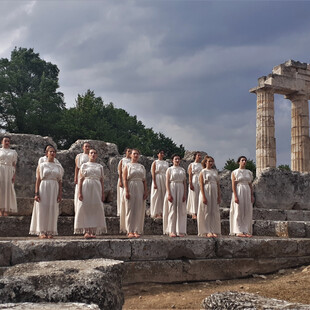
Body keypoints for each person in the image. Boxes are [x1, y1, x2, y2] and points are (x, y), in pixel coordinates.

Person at [29, 146, 64, 239]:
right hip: (44, 186)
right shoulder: (42, 165)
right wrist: (36, 193)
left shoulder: (58, 166)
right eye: (50, 152)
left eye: (54, 152)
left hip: (54, 187)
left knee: (52, 209)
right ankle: (41, 231)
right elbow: (38, 180)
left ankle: (50, 231)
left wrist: (60, 194)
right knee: (42, 208)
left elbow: (60, 181)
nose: (52, 153)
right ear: (46, 154)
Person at [74, 149, 107, 239]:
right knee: (86, 207)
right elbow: (80, 180)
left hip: (97, 187)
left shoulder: (100, 167)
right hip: (86, 186)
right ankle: (86, 231)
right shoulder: (84, 166)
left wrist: (102, 193)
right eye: (91, 153)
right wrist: (79, 192)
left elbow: (101, 180)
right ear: (88, 155)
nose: (93, 154)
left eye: (95, 153)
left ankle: (93, 231)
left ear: (96, 156)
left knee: (95, 207)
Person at [121, 149, 147, 238]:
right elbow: (124, 179)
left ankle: (136, 230)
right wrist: (127, 190)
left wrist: (145, 191)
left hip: (140, 186)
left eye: (137, 154)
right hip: (130, 185)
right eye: (134, 154)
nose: (136, 155)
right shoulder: (127, 166)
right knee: (130, 208)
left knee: (138, 209)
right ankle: (129, 230)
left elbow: (144, 180)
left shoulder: (141, 167)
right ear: (131, 155)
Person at [230, 155, 254, 237]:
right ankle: (238, 231)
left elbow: (250, 185)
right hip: (239, 190)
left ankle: (246, 230)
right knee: (238, 210)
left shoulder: (249, 172)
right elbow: (233, 185)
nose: (244, 162)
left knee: (246, 210)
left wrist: (252, 195)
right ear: (239, 162)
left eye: (245, 160)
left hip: (247, 190)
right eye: (242, 160)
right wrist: (235, 196)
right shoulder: (234, 172)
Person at [163, 154, 187, 237]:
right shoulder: (169, 170)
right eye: (175, 159)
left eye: (178, 159)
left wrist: (184, 194)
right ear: (172, 160)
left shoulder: (182, 170)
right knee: (172, 209)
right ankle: (171, 230)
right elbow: (167, 182)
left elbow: (184, 183)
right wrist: (168, 193)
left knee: (181, 210)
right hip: (172, 187)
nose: (177, 160)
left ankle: (180, 230)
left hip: (180, 188)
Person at [197, 156, 221, 237]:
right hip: (206, 190)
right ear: (205, 162)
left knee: (213, 211)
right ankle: (207, 230)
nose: (211, 163)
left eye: (212, 161)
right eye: (209, 161)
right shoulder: (203, 172)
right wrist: (203, 196)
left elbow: (218, 185)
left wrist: (219, 196)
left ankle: (213, 229)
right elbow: (201, 184)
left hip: (214, 191)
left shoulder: (215, 172)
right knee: (206, 211)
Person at [0, 136, 18, 216]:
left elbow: (14, 164)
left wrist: (14, 175)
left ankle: (6, 209)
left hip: (9, 171)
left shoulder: (13, 152)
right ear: (2, 142)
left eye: (8, 141)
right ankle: (0, 209)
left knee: (8, 189)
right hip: (0, 170)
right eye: (5, 141)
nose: (7, 142)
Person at [150, 150, 169, 219]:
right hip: (157, 178)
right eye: (160, 153)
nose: (162, 154)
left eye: (163, 153)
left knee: (163, 194)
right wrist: (154, 182)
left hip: (164, 178)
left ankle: (163, 212)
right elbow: (153, 173)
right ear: (157, 154)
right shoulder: (155, 162)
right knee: (157, 195)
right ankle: (156, 212)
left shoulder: (166, 163)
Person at [74, 142, 91, 213]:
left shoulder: (91, 155)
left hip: (89, 176)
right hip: (81, 175)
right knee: (80, 190)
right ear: (83, 148)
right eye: (86, 146)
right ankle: (78, 209)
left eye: (88, 146)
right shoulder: (79, 156)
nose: (87, 148)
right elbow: (77, 167)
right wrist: (75, 176)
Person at [186, 152, 202, 219]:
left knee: (200, 196)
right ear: (195, 156)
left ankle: (199, 212)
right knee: (194, 196)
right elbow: (190, 175)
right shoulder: (191, 165)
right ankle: (193, 212)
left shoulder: (202, 165)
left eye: (200, 155)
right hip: (194, 180)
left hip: (200, 181)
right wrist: (190, 183)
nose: (199, 156)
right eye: (198, 155)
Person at [117, 148, 132, 216]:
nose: (130, 153)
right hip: (123, 179)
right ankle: (121, 211)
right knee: (122, 195)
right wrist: (120, 180)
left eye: (131, 152)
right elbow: (120, 171)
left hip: (130, 180)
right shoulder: (122, 161)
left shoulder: (133, 161)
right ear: (126, 152)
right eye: (128, 151)